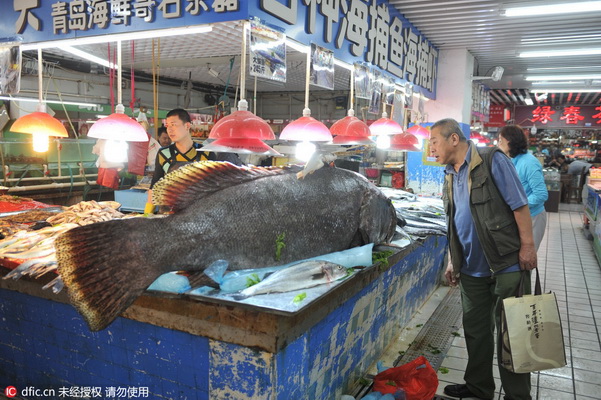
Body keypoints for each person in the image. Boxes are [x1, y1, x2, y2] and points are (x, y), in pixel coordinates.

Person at [429, 118, 537, 400]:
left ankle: (517, 395)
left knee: (512, 335)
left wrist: (527, 246)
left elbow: (520, 205)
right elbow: (457, 221)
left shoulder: (492, 160)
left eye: (434, 142)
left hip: (505, 264)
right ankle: (479, 387)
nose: (430, 149)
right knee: (475, 331)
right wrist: (454, 260)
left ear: (454, 139)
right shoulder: (449, 173)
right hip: (472, 269)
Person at [145, 108, 240, 214]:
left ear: (187, 126)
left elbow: (216, 188)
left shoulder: (206, 153)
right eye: (167, 126)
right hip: (169, 216)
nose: (170, 130)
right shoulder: (163, 154)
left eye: (174, 125)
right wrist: (146, 214)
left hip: (198, 215)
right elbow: (154, 186)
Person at [497, 125, 548, 250]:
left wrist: (516, 205)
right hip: (518, 215)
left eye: (500, 140)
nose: (498, 144)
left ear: (508, 141)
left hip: (533, 217)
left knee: (527, 256)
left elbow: (541, 194)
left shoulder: (529, 162)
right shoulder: (512, 160)